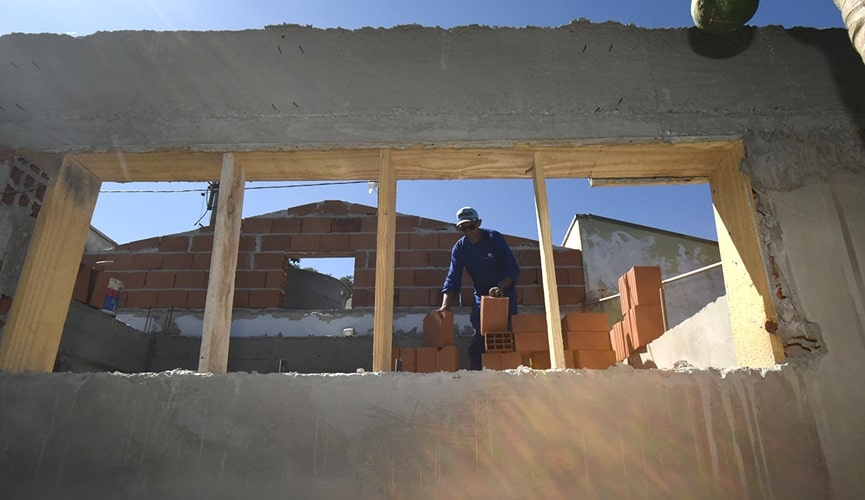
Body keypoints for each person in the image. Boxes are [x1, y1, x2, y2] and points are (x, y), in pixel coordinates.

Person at [437, 206, 519, 370]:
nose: (468, 232)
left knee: (507, 338)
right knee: (479, 342)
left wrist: (500, 286)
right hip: (481, 299)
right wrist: (445, 306)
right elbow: (453, 277)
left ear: (479, 223)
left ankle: (511, 375)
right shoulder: (460, 248)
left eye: (471, 227)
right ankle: (478, 379)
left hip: (505, 296)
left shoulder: (493, 238)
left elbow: (512, 268)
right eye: (463, 228)